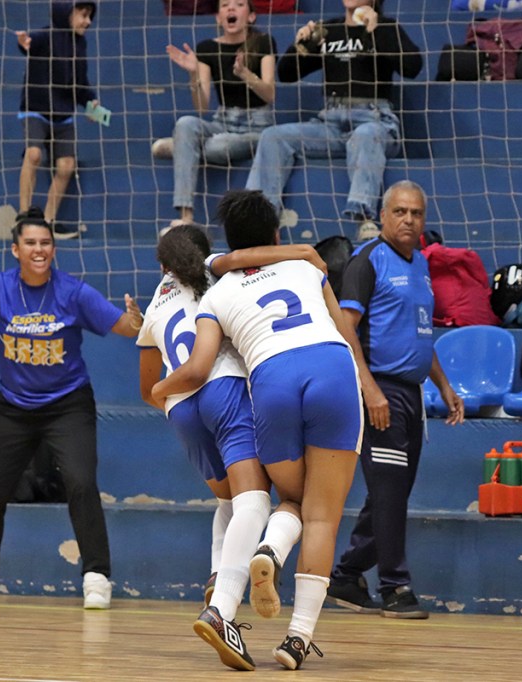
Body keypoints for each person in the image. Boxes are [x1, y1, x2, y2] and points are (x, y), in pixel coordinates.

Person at [152, 189, 364, 671]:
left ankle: (260, 558)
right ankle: (295, 634)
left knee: (290, 496)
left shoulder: (216, 291)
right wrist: (368, 387)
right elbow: (345, 332)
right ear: (275, 234)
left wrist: (159, 391)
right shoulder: (306, 266)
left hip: (271, 379)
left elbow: (200, 364)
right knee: (320, 514)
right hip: (331, 368)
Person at [0, 206, 144, 610]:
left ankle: (96, 576)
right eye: (31, 243)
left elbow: (122, 326)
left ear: (54, 249)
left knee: (80, 483)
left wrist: (136, 320)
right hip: (13, 409)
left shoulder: (73, 292)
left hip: (68, 405)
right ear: (16, 250)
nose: (39, 249)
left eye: (46, 243)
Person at [324, 180, 464, 620]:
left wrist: (444, 385)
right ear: (383, 216)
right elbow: (345, 330)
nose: (408, 220)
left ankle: (347, 576)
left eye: (416, 213)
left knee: (393, 491)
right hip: (378, 392)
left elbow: (420, 334)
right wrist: (370, 390)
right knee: (389, 494)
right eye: (400, 212)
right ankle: (395, 587)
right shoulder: (367, 261)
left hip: (411, 395)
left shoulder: (421, 264)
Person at [245, 0, 422, 241]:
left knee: (365, 135)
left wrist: (376, 30)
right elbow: (287, 74)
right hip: (330, 122)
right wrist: (302, 45)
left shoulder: (386, 27)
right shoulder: (329, 29)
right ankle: (259, 223)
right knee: (273, 137)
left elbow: (412, 67)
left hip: (374, 119)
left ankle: (364, 218)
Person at [152, 0, 277, 224]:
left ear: (251, 16)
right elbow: (202, 106)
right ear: (218, 17)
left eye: (239, 4)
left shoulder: (263, 42)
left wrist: (245, 74)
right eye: (225, 5)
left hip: (256, 126)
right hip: (222, 121)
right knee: (185, 123)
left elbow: (269, 94)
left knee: (220, 146)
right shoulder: (207, 48)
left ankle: (183, 146)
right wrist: (193, 74)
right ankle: (186, 216)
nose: (231, 8)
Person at [15, 1, 104, 239]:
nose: (87, 21)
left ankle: (48, 221)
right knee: (33, 154)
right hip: (36, 110)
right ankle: (23, 216)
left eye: (90, 16)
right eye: (83, 15)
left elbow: (80, 81)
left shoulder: (80, 44)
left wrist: (91, 101)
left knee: (66, 165)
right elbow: (29, 43)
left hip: (63, 116)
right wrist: (24, 43)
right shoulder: (46, 36)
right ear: (66, 13)